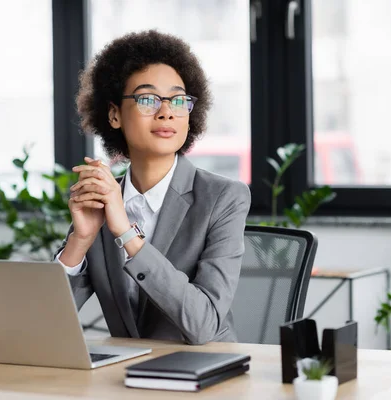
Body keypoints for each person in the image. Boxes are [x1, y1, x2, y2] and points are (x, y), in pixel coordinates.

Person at [54, 30, 251, 345]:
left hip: (203, 375)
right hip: (126, 378)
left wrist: (127, 234)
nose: (167, 111)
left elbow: (203, 326)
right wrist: (80, 240)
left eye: (178, 99)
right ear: (114, 114)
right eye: (147, 99)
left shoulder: (224, 198)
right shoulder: (103, 198)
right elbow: (50, 323)